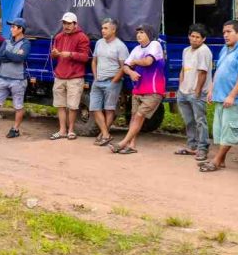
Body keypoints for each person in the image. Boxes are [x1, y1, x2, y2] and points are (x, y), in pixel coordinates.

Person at [200, 20, 238, 172]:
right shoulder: (226, 48)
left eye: (229, 32)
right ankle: (221, 160)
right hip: (221, 96)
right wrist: (212, 89)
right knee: (221, 130)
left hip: (234, 99)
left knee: (229, 131)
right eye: (224, 32)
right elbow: (218, 70)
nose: (225, 35)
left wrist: (232, 96)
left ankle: (217, 160)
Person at [110, 24, 165, 154]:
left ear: (149, 34)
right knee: (134, 117)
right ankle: (132, 145)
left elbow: (148, 62)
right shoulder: (136, 49)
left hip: (153, 90)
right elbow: (125, 67)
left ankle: (123, 143)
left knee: (140, 115)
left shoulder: (155, 45)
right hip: (138, 89)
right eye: (138, 32)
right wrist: (131, 73)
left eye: (142, 32)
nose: (139, 35)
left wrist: (134, 62)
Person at [174, 24, 213, 161]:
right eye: (192, 36)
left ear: (203, 39)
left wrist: (197, 91)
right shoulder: (186, 50)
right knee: (189, 120)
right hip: (184, 91)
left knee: (200, 121)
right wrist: (181, 86)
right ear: (189, 36)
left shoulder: (204, 51)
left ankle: (202, 148)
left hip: (197, 93)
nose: (194, 39)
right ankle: (192, 146)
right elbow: (183, 69)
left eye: (198, 37)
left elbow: (203, 72)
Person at [50, 12, 90, 140]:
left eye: (69, 23)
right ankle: (62, 130)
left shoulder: (82, 37)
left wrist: (70, 54)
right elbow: (54, 56)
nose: (66, 26)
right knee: (60, 105)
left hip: (75, 77)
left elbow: (85, 57)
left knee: (73, 106)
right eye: (64, 23)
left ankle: (71, 130)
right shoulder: (58, 37)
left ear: (75, 24)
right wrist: (55, 54)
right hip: (60, 75)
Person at [89, 18, 129, 146]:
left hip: (112, 81)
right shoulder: (99, 43)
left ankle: (103, 135)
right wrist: (95, 77)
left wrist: (114, 82)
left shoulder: (120, 46)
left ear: (113, 29)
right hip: (98, 81)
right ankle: (106, 134)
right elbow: (94, 61)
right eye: (102, 28)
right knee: (95, 108)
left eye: (106, 28)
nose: (103, 31)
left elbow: (124, 66)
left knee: (109, 109)